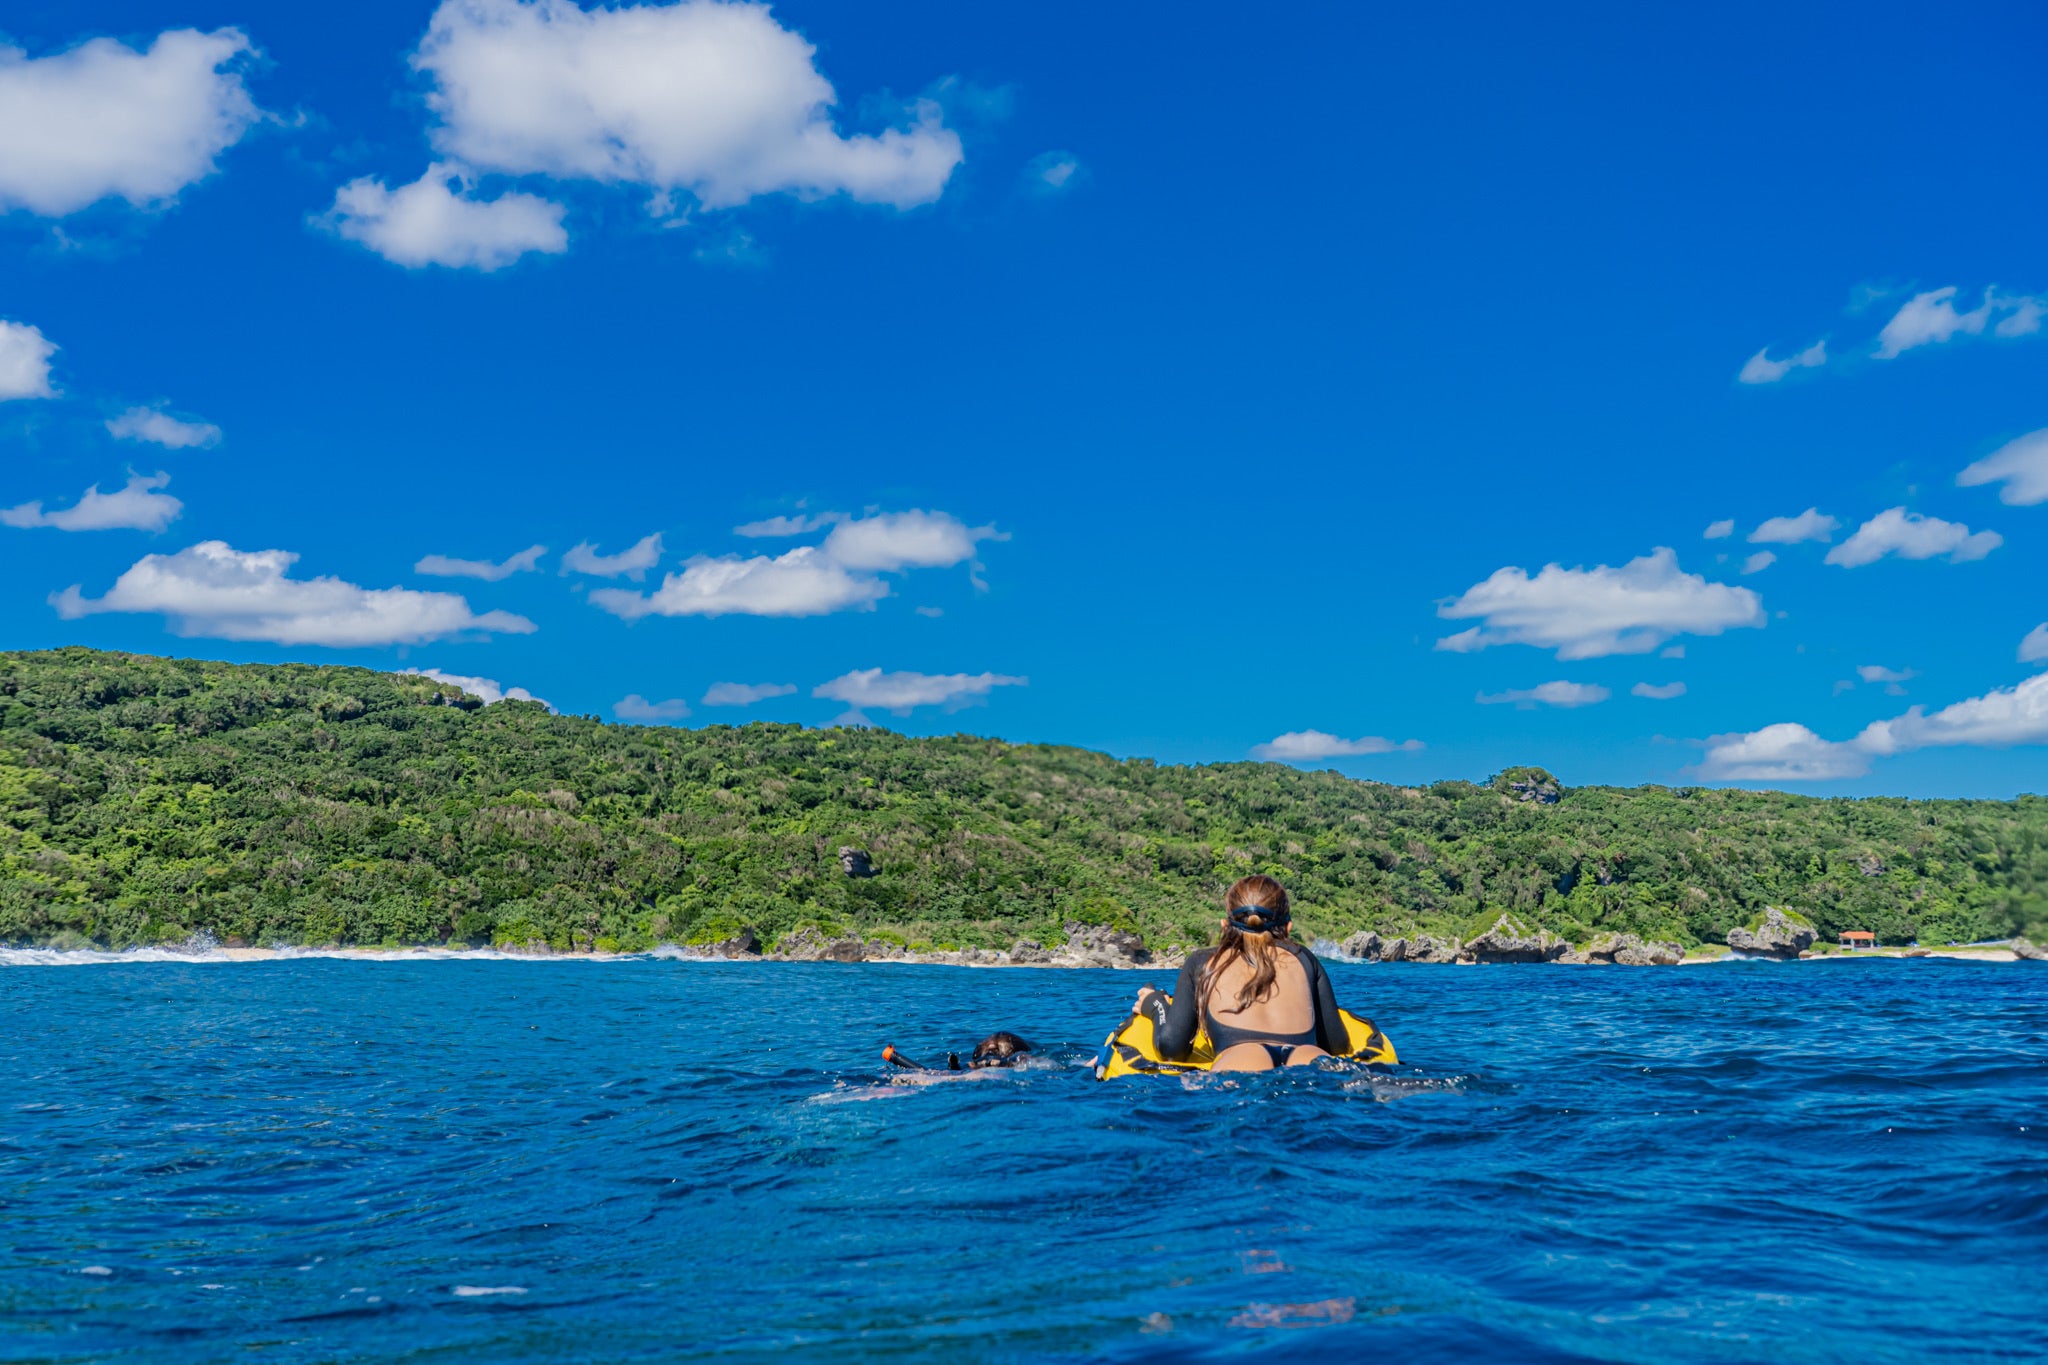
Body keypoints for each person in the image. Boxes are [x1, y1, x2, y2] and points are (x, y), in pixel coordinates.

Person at [1133, 875, 1347, 1071]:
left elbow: (1172, 1048)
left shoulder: (1202, 962)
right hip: (1309, 1062)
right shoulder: (1305, 958)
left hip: (1241, 1064)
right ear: (1288, 927)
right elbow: (1337, 1044)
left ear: (1224, 925)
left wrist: (1155, 1004)